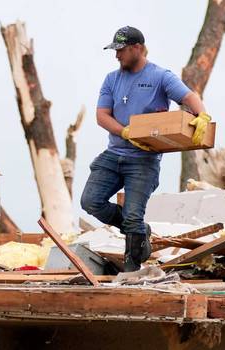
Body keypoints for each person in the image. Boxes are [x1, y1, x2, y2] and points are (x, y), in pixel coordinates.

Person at [80, 26, 211, 272]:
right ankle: (140, 231)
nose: (117, 55)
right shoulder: (112, 79)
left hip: (144, 159)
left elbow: (189, 98)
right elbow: (102, 115)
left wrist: (202, 115)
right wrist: (125, 131)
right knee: (91, 201)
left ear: (137, 48)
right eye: (115, 50)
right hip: (114, 154)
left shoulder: (161, 77)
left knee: (132, 215)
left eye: (121, 50)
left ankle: (131, 267)